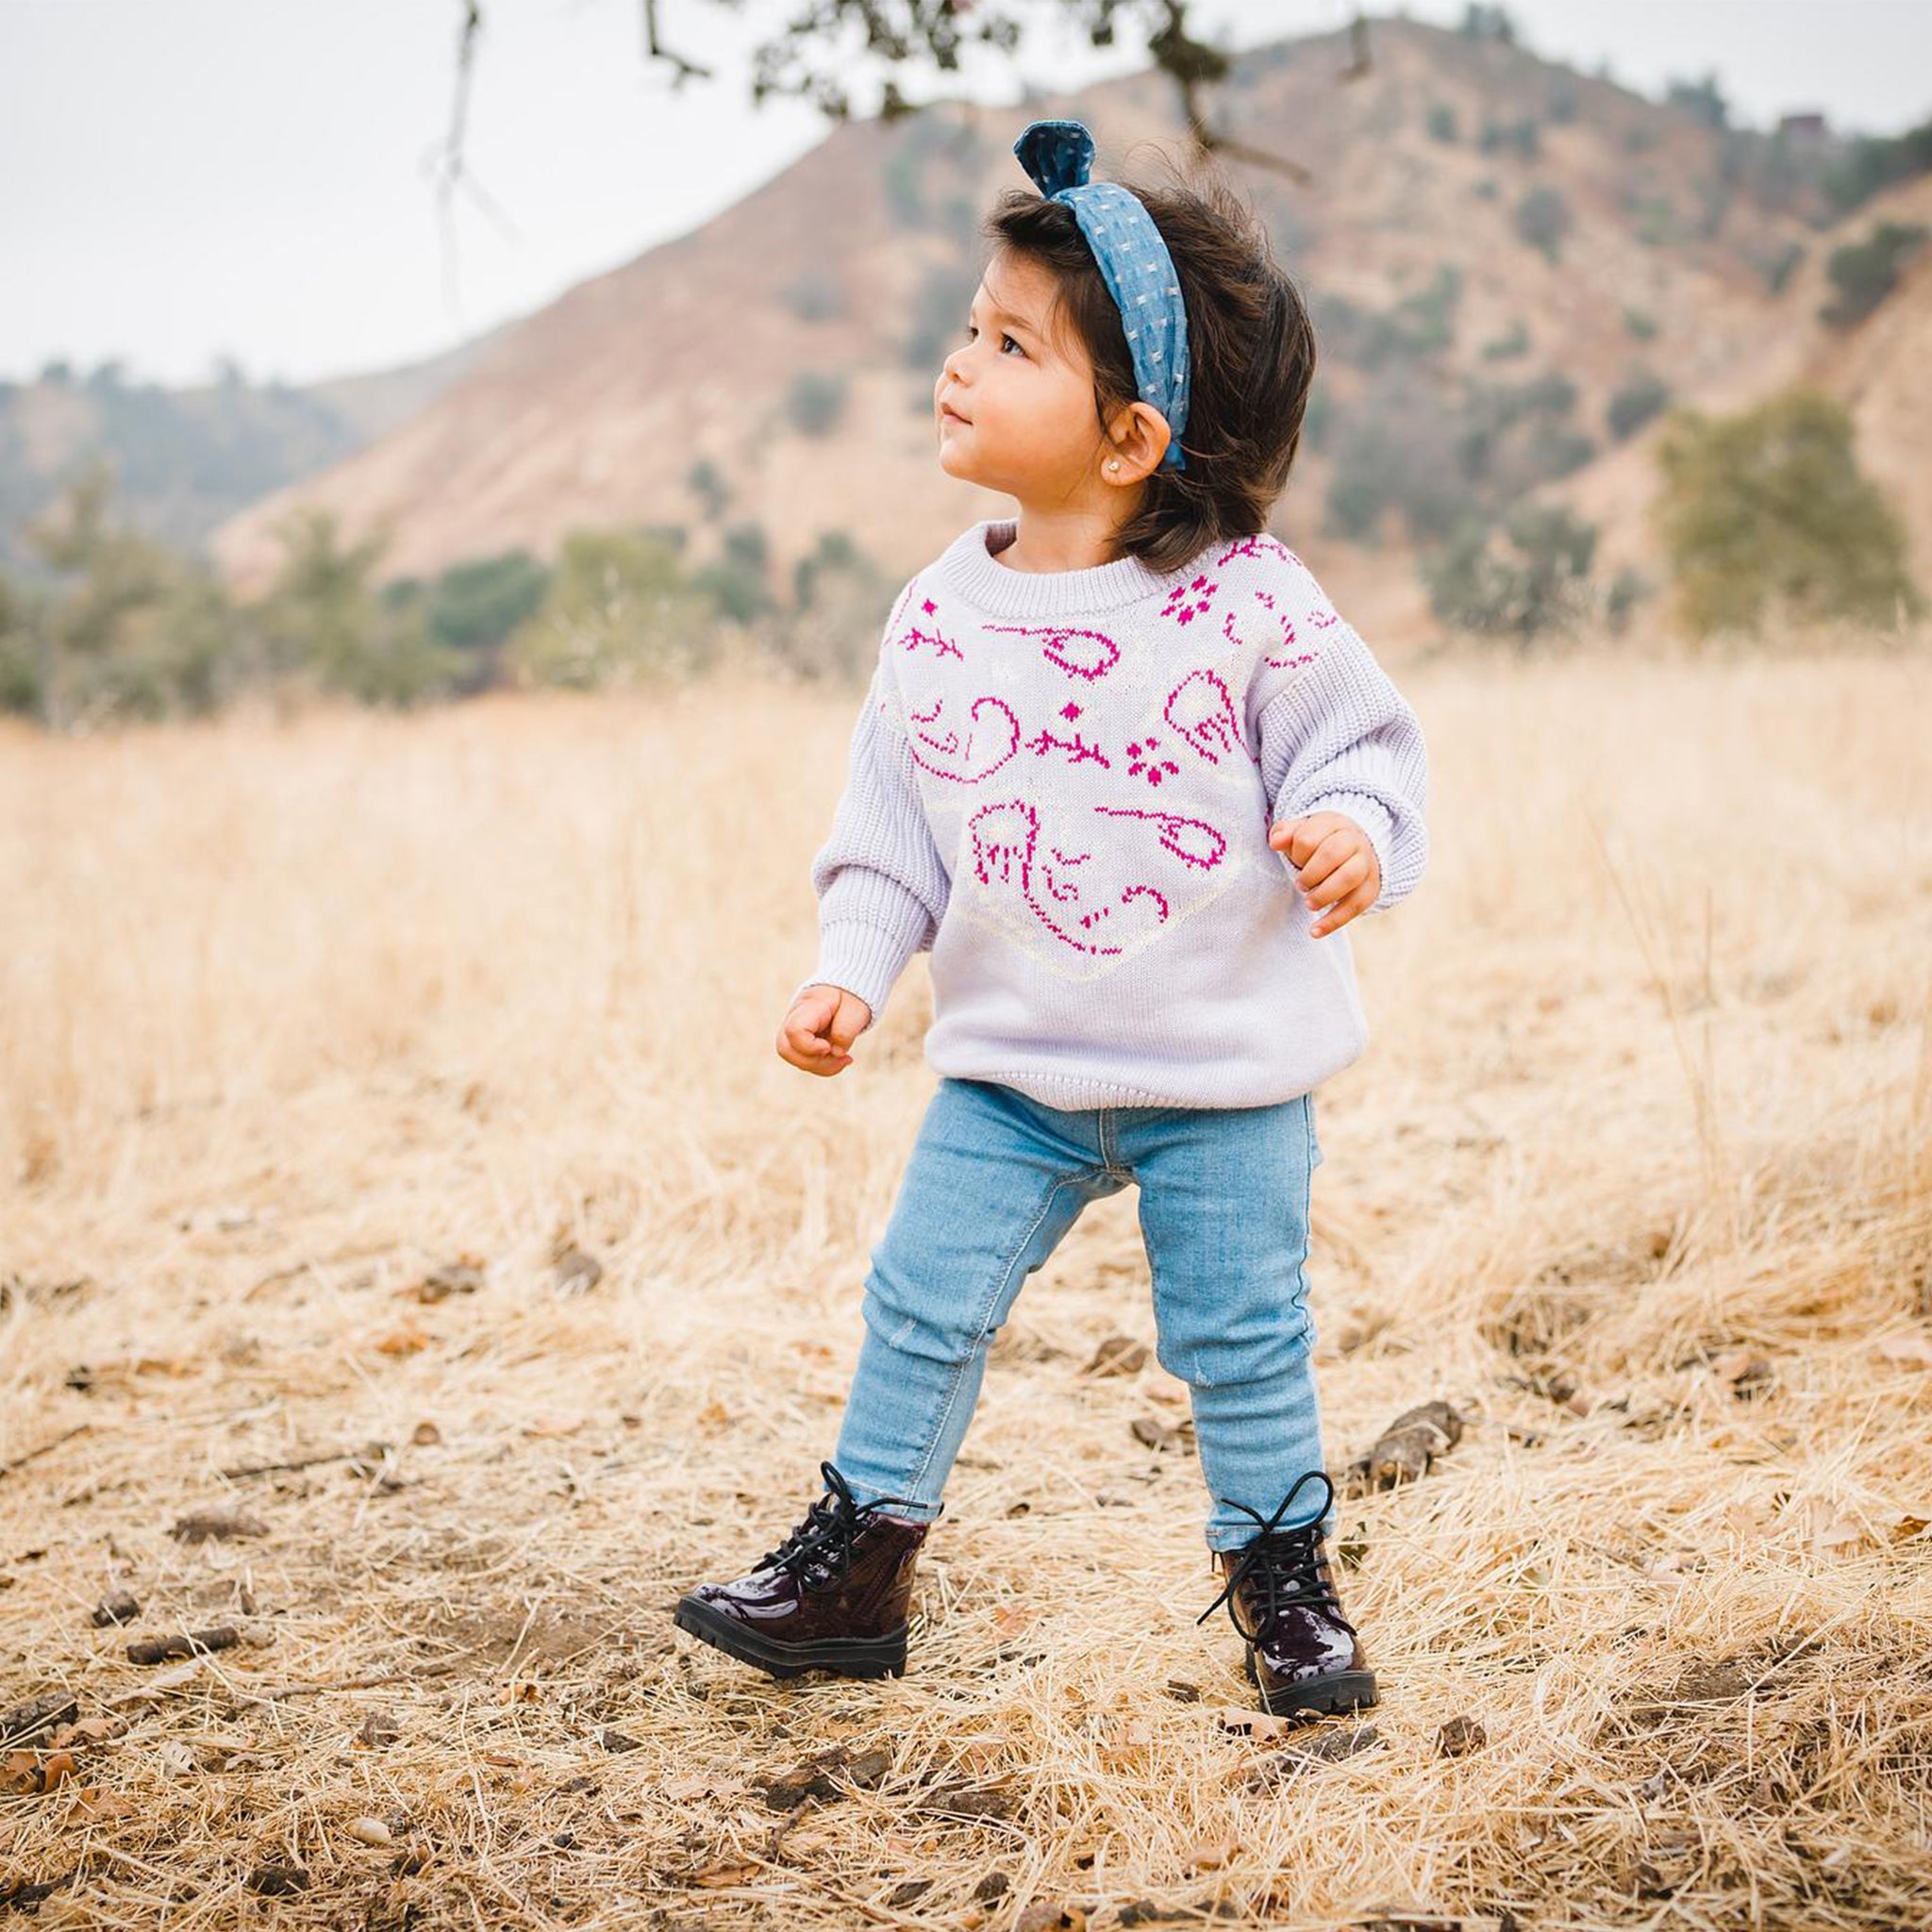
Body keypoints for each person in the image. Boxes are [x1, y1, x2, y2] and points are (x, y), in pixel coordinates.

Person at [674, 119, 1428, 1720]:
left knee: (1240, 1338)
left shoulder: (1246, 602)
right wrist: (850, 976)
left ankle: (1283, 1585)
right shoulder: (939, 615)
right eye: (970, 324)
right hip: (1009, 1074)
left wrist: (1355, 834)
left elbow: (1365, 750)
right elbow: (891, 835)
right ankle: (858, 1567)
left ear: (1132, 434)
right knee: (920, 1299)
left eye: (1010, 344)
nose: (959, 361)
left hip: (1219, 1077)